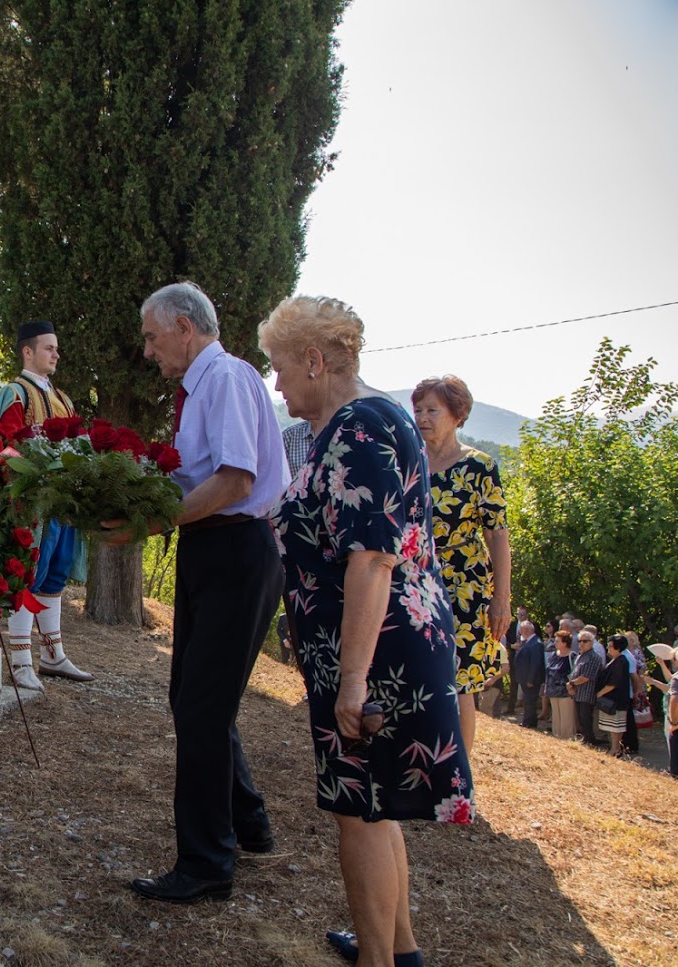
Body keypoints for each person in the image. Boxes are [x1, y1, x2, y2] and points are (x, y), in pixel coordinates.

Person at [258, 295, 470, 967]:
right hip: (374, 645)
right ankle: (396, 947)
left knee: (361, 808)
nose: (278, 382)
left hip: (378, 653)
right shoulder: (356, 423)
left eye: (281, 366)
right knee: (372, 803)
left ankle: (381, 960)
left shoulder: (361, 424)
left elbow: (373, 556)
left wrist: (352, 678)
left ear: (316, 361)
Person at [111, 281, 287, 904]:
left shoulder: (228, 379)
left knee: (202, 708)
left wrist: (150, 522)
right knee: (194, 696)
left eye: (154, 338)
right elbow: (198, 474)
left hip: (237, 549)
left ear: (185, 327)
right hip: (212, 549)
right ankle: (249, 824)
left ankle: (208, 861)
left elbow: (236, 480)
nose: (150, 352)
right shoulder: (202, 387)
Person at [0, 320, 93, 689]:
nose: (56, 353)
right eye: (49, 347)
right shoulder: (15, 393)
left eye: (56, 348)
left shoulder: (64, 399)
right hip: (31, 504)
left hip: (62, 504)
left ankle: (52, 655)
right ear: (27, 351)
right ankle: (20, 661)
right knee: (27, 575)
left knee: (54, 578)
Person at [412, 376, 511, 753]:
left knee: (460, 683)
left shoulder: (479, 466)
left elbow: (498, 535)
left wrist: (501, 598)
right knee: (415, 675)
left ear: (457, 415)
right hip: (413, 582)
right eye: (418, 409)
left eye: (432, 410)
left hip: (464, 587)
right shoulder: (409, 459)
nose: (422, 417)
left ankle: (459, 779)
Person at [640, 643, 676, 777]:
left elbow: (669, 688)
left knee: (671, 739)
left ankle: (673, 768)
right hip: (671, 711)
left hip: (674, 714)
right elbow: (670, 680)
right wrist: (661, 664)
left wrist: (654, 682)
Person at [596, 636, 633, 757]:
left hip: (617, 700)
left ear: (618, 647)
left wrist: (600, 693)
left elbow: (614, 682)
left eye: (611, 646)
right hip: (613, 699)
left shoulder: (621, 661)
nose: (608, 648)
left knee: (616, 726)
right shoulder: (615, 659)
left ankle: (615, 748)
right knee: (612, 726)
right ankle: (615, 747)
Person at [568, 629, 604, 746]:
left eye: (585, 641)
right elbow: (574, 672)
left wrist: (572, 684)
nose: (581, 644)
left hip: (587, 693)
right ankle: (585, 738)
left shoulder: (594, 657)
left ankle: (590, 741)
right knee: (580, 718)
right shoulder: (580, 655)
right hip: (577, 692)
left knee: (586, 718)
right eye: (579, 641)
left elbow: (586, 677)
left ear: (591, 642)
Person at [512, 620, 546, 728]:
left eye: (521, 630)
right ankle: (530, 721)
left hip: (531, 679)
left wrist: (531, 679)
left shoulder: (536, 643)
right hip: (524, 677)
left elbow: (535, 663)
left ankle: (528, 722)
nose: (520, 632)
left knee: (530, 700)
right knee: (528, 700)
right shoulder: (528, 642)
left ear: (527, 630)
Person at [544, 630, 577, 740]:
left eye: (558, 641)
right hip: (553, 691)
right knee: (556, 719)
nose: (555, 643)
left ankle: (567, 740)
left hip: (566, 693)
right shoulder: (554, 655)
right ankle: (556, 739)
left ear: (565, 643)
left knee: (566, 719)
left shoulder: (572, 656)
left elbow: (575, 673)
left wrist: (572, 686)